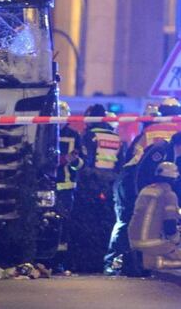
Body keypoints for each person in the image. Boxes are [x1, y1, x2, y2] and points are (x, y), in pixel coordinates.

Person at [103, 104, 162, 275]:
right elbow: (132, 164)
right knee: (125, 220)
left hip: (133, 180)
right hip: (129, 181)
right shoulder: (146, 137)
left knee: (130, 222)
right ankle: (113, 262)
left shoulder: (145, 136)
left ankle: (129, 262)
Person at [71, 104, 124, 272]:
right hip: (111, 186)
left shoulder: (89, 136)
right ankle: (104, 261)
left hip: (91, 186)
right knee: (107, 224)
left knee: (87, 225)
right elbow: (120, 165)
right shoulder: (116, 137)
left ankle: (87, 264)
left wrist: (74, 163)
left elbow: (85, 162)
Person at [128, 162, 181, 270]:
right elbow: (170, 227)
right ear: (174, 179)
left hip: (133, 239)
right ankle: (149, 262)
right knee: (175, 253)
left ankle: (145, 260)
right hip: (151, 243)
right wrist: (177, 241)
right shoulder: (169, 194)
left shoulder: (146, 189)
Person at [55, 101, 84, 267]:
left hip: (66, 188)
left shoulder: (74, 135)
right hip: (46, 186)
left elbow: (81, 164)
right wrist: (63, 160)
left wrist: (74, 161)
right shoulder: (43, 130)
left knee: (64, 225)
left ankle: (60, 262)